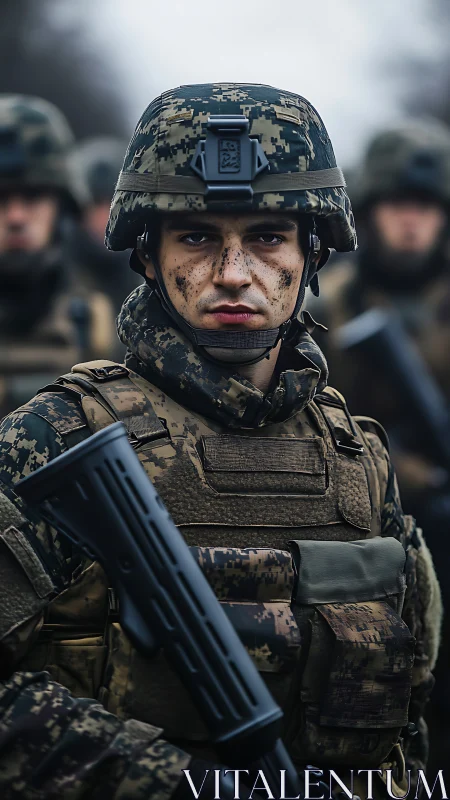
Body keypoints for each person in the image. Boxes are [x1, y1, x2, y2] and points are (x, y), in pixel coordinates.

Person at [0, 84, 441, 799]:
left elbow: (409, 716)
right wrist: (177, 784)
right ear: (147, 254)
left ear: (313, 253)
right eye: (198, 237)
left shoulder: (361, 460)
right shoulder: (51, 443)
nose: (234, 274)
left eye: (268, 236)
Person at [306, 120, 450, 771]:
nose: (412, 223)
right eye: (398, 207)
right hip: (363, 535)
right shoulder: (331, 306)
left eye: (426, 207)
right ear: (371, 212)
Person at [0, 95, 117, 417]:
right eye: (2, 198)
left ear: (62, 206)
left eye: (34, 196)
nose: (16, 217)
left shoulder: (100, 317)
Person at [67, 137, 140, 319]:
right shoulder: (56, 279)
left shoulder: (147, 277)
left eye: (113, 203)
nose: (104, 218)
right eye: (95, 204)